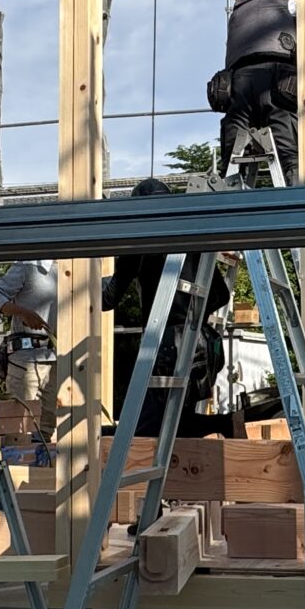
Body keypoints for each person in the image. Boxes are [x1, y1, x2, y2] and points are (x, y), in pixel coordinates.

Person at [103, 179, 235, 438]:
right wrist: (193, 316)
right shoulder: (193, 241)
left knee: (144, 432)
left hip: (163, 346)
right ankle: (226, 425)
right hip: (202, 345)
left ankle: (227, 425)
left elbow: (108, 299)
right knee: (175, 426)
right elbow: (220, 295)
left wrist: (80, 286)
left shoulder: (138, 243)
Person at [210, 0, 299, 180]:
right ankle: (297, 188)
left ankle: (232, 187)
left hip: (238, 83)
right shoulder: (287, 4)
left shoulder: (236, 12)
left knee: (234, 155)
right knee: (288, 150)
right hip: (276, 80)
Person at [0, 259, 57, 429]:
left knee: (46, 428)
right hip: (26, 359)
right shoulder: (28, 266)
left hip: (55, 359)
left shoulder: (71, 269)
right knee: (20, 426)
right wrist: (23, 313)